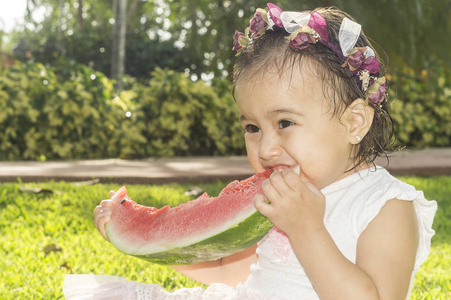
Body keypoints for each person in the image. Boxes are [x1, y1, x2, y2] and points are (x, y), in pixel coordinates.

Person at [64, 3, 437, 299]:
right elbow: (229, 273)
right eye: (252, 128)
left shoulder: (386, 205)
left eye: (285, 123)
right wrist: (153, 238)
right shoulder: (279, 196)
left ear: (354, 123)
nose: (267, 147)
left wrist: (306, 229)